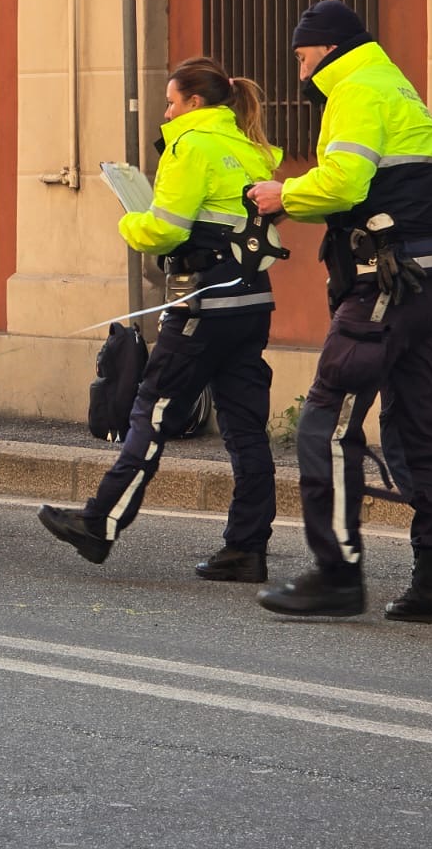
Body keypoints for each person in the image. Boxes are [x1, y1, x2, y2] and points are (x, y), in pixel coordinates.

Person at [247, 0, 432, 624]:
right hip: (431, 276)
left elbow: (344, 184)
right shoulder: (397, 87)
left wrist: (281, 195)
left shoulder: (355, 88)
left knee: (326, 419)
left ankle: (337, 572)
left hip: (386, 281)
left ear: (327, 47)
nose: (299, 72)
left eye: (301, 56)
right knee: (415, 430)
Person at [38, 57, 284, 582]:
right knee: (245, 429)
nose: (166, 111)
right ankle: (247, 548)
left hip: (204, 301)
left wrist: (131, 221)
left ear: (194, 103)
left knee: (151, 413)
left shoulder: (189, 144)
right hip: (252, 302)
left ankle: (101, 522)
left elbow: (167, 230)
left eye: (171, 101)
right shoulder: (248, 147)